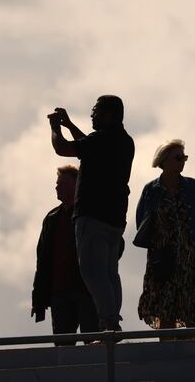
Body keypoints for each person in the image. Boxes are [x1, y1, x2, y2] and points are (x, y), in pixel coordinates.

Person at [48, 95, 135, 331]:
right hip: (115, 217)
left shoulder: (101, 140)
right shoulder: (125, 141)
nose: (92, 115)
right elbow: (88, 146)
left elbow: (62, 148)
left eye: (95, 111)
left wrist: (56, 128)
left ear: (108, 114)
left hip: (92, 215)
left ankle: (108, 323)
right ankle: (112, 319)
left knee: (93, 272)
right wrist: (69, 124)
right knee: (109, 272)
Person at [135, 139, 195, 330]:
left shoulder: (193, 187)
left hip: (190, 258)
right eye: (178, 157)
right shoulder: (151, 190)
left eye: (184, 157)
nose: (182, 161)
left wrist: (192, 243)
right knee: (164, 307)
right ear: (164, 161)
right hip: (162, 258)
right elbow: (141, 222)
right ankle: (167, 351)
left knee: (191, 306)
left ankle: (194, 352)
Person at [31, 165, 98, 345]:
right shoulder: (52, 218)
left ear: (76, 184)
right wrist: (39, 300)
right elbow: (43, 261)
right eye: (57, 184)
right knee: (63, 347)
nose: (57, 187)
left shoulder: (92, 213)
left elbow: (114, 246)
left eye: (62, 183)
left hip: (87, 289)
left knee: (92, 343)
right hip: (60, 291)